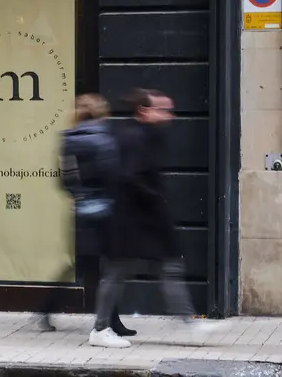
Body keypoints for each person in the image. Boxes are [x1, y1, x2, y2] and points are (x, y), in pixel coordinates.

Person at [90, 88, 227, 348]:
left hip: (144, 219)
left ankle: (190, 324)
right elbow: (129, 176)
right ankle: (99, 329)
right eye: (162, 109)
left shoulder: (146, 136)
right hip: (131, 219)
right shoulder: (134, 137)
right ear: (144, 111)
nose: (169, 115)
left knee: (168, 267)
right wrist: (154, 198)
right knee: (118, 272)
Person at [36, 94, 135, 338]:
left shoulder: (68, 139)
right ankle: (109, 323)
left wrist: (78, 195)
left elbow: (63, 179)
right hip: (105, 211)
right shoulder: (104, 138)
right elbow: (112, 175)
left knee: (80, 265)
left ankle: (46, 309)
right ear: (102, 113)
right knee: (113, 267)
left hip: (81, 210)